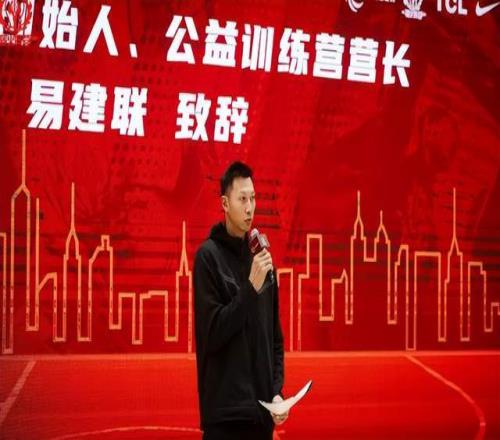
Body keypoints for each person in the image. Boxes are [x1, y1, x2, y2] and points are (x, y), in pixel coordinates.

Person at [194, 161, 288, 440]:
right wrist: (249, 289)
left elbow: (274, 340)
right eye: (242, 199)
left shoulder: (262, 261)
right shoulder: (208, 258)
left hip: (261, 418)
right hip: (226, 418)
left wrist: (276, 392)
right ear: (225, 203)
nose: (250, 208)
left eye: (253, 198)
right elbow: (212, 334)